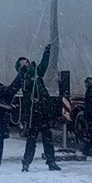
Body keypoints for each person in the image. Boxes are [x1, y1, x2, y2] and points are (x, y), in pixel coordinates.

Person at [17, 44, 61, 172]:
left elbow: (44, 65)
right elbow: (29, 81)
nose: (27, 63)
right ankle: (26, 162)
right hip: (33, 114)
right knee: (32, 140)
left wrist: (46, 53)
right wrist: (31, 68)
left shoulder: (36, 74)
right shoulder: (25, 78)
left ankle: (51, 161)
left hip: (43, 112)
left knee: (48, 139)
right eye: (24, 63)